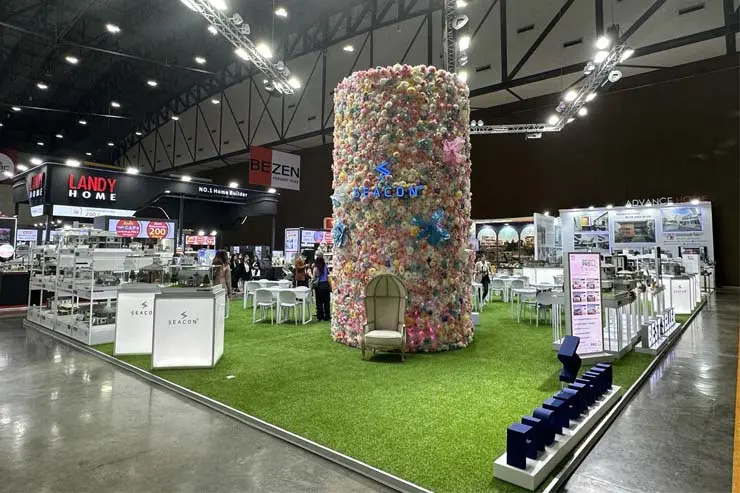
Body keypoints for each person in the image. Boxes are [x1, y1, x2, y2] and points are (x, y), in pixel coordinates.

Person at [313, 255, 331, 321]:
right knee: (327, 302)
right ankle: (327, 316)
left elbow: (313, 278)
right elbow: (328, 274)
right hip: (326, 285)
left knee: (319, 302)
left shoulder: (315, 268)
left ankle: (320, 316)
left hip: (319, 286)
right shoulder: (325, 267)